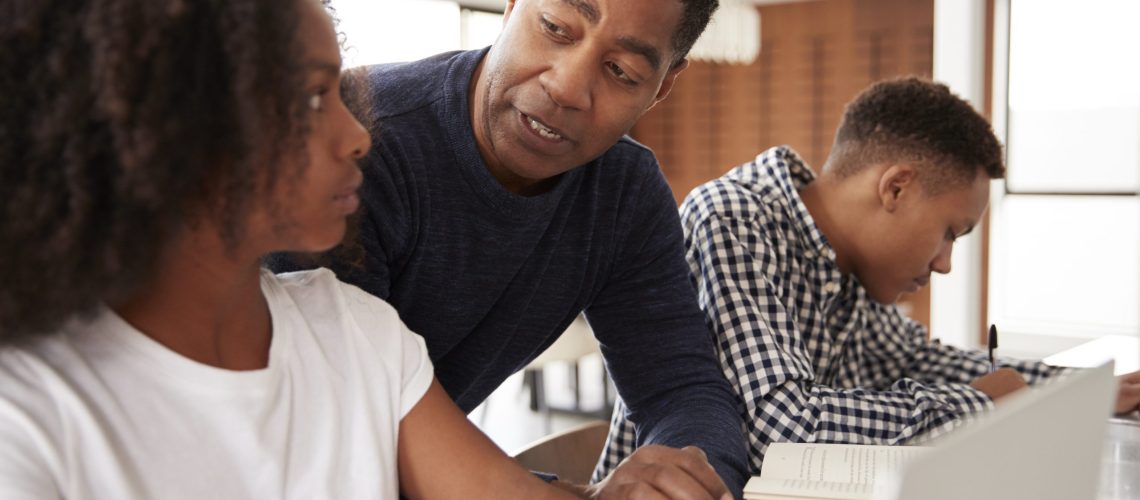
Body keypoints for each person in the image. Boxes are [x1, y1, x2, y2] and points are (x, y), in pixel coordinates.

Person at [0, 1, 582, 498]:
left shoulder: (355, 332)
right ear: (160, 124)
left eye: (337, 91)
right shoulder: (27, 411)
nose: (357, 136)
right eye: (310, 99)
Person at [268, 0, 748, 497]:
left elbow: (680, 389)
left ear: (662, 87)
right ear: (513, 5)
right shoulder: (353, 159)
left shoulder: (623, 194)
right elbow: (339, 451)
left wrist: (687, 485)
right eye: (555, 28)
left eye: (621, 71)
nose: (566, 87)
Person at [596, 77, 1140, 476]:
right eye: (951, 232)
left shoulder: (850, 269)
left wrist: (1083, 390)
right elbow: (781, 430)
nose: (945, 262)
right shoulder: (734, 218)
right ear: (895, 188)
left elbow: (925, 361)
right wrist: (985, 401)